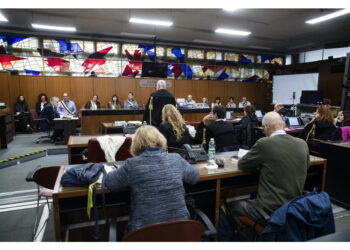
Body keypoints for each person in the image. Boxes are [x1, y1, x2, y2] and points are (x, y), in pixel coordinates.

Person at [105, 125, 200, 234]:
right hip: (180, 232)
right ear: (160, 139)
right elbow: (195, 177)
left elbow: (110, 182)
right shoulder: (176, 159)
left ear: (136, 144)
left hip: (143, 234)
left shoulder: (132, 164)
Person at [227, 111, 310, 229]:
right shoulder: (302, 143)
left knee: (232, 206)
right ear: (283, 125)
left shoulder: (264, 143)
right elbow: (307, 165)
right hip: (294, 208)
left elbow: (243, 165)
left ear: (265, 127)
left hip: (270, 210)